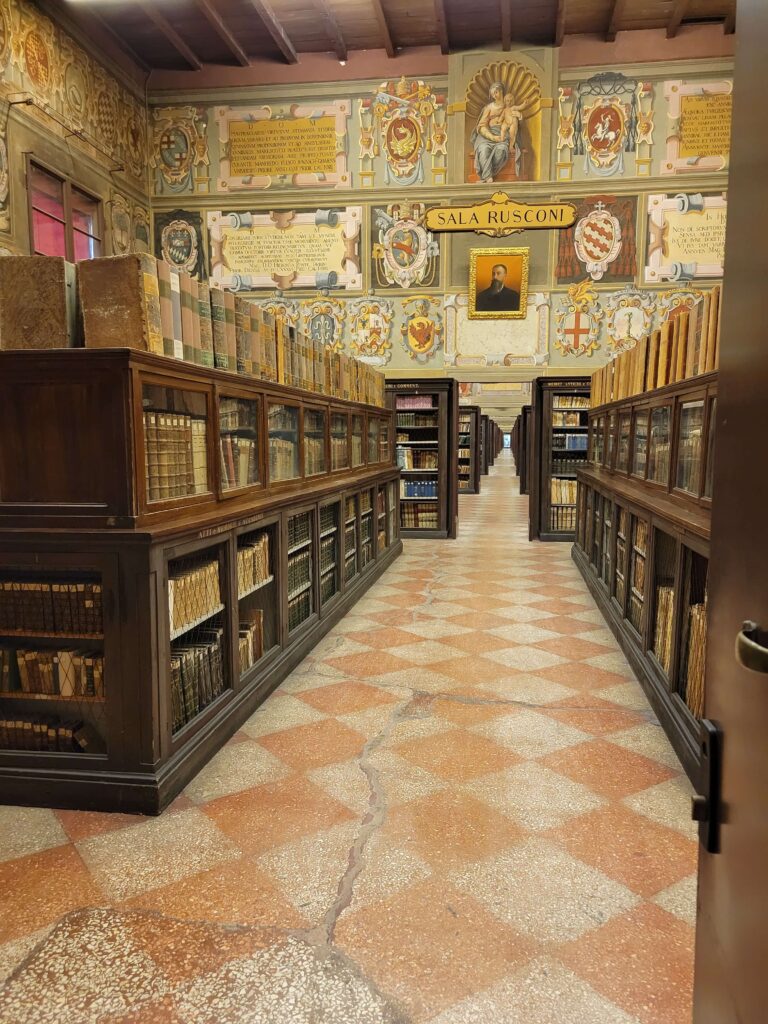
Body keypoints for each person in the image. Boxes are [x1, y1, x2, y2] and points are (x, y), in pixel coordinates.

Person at [471, 84, 523, 182]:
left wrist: (519, 116)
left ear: (501, 91)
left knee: (501, 151)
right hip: (487, 136)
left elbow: (516, 124)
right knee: (484, 150)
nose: (494, 95)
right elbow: (481, 126)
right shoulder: (489, 108)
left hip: (503, 135)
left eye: (496, 92)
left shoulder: (509, 105)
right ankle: (487, 176)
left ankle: (487, 173)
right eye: (492, 94)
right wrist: (492, 137)